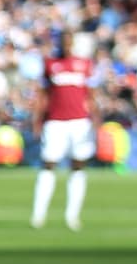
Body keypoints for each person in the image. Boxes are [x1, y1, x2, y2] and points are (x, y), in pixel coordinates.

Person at [30, 30, 98, 231]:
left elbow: (91, 96)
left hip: (79, 122)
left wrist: (96, 119)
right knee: (49, 164)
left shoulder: (84, 64)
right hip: (56, 121)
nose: (67, 45)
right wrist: (37, 119)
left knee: (78, 165)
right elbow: (43, 95)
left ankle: (72, 216)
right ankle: (38, 214)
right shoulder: (50, 64)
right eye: (64, 42)